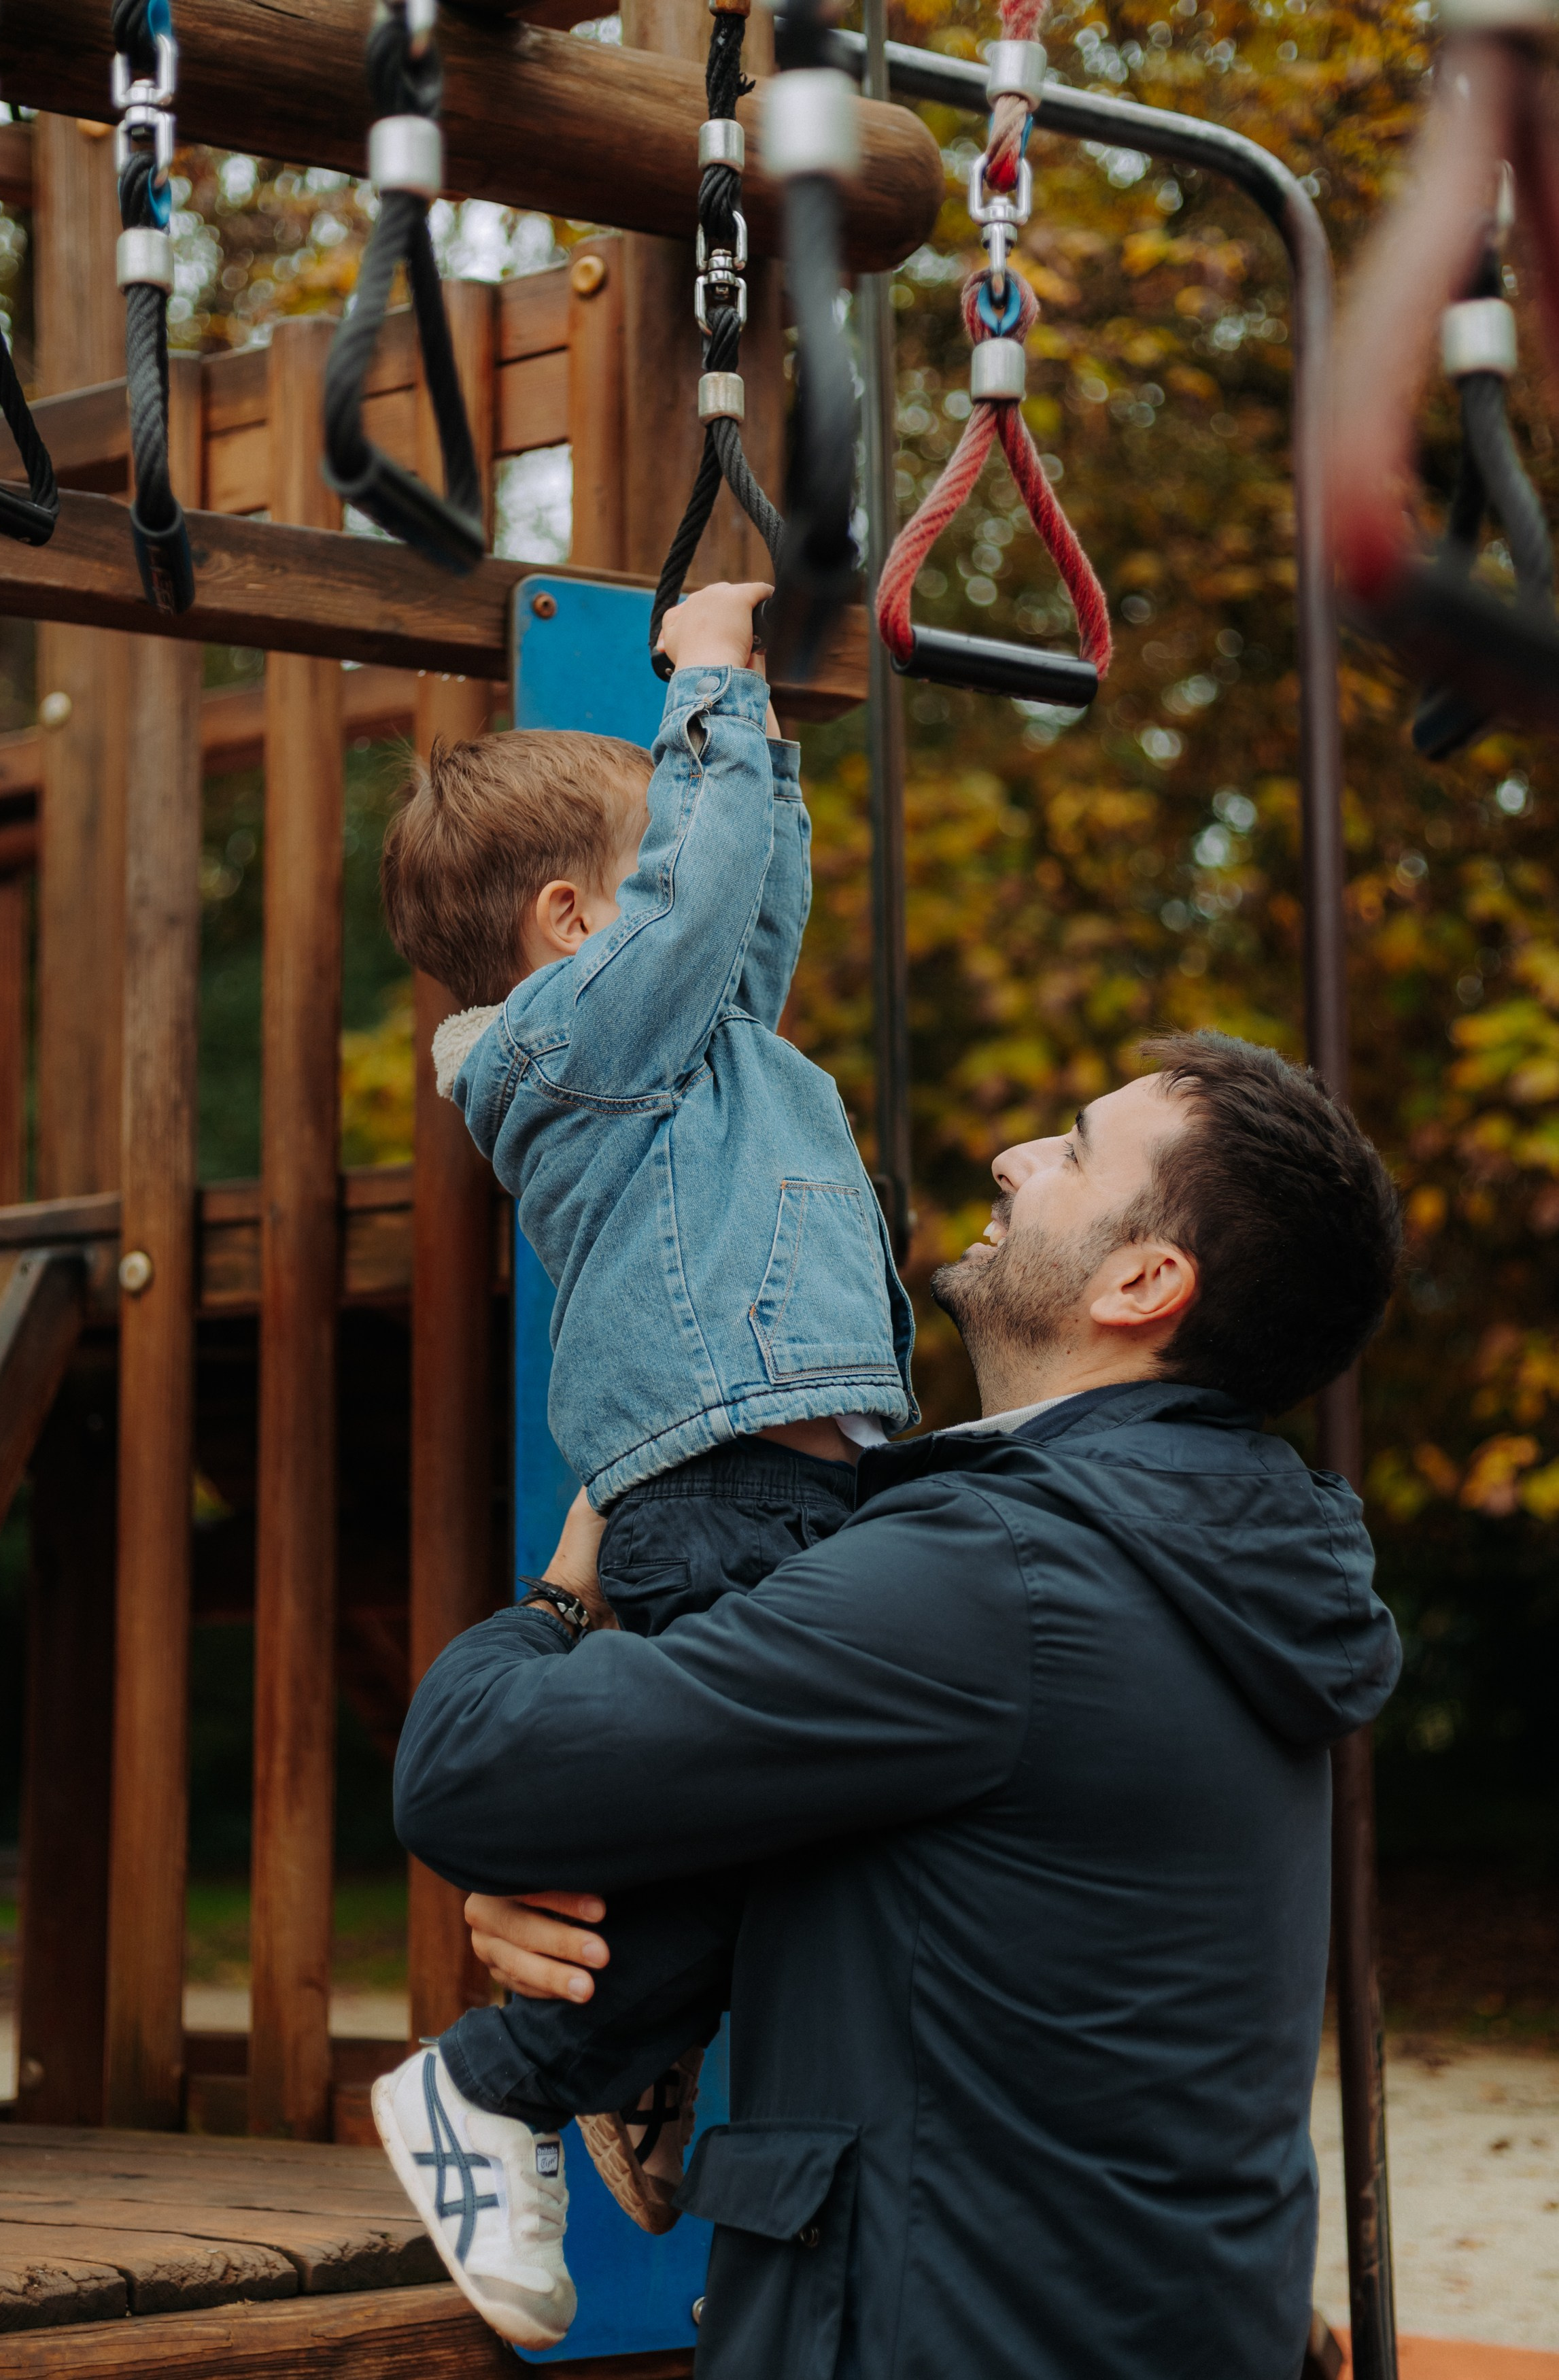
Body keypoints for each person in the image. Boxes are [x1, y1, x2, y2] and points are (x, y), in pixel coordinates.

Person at [393, 1032, 1405, 2380]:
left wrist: (563, 1599)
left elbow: (467, 1774)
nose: (1014, 1154)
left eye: (1076, 1148)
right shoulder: (1215, 1563)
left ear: (1143, 1280)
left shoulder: (1001, 1581)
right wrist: (622, 1892)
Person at [373, 581, 916, 2344]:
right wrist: (703, 686)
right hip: (722, 1493)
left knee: (771, 1840)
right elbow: (697, 908)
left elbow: (735, 904)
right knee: (766, 1824)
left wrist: (757, 734)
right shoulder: (569, 1046)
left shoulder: (683, 1039)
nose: (704, 886)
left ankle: (636, 2061)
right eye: (654, 870)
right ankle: (497, 2079)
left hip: (785, 1480)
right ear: (566, 922)